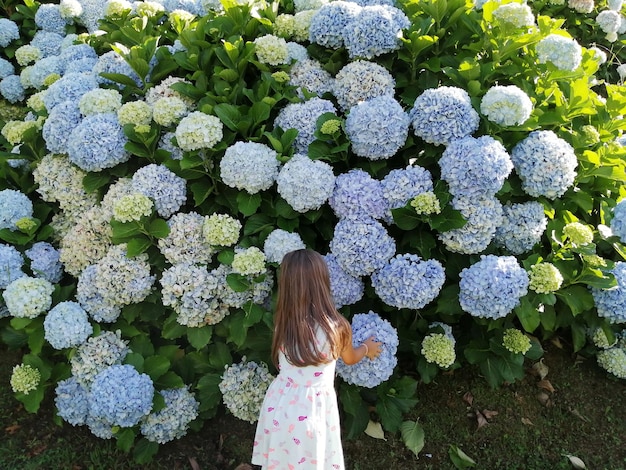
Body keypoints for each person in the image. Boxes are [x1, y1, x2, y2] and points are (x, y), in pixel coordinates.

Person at [251, 249, 382, 470]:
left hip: (280, 405)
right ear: (322, 281)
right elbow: (349, 359)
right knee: (312, 460)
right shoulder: (337, 327)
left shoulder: (284, 323)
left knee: (282, 460)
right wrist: (367, 348)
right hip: (313, 410)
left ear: (287, 285)